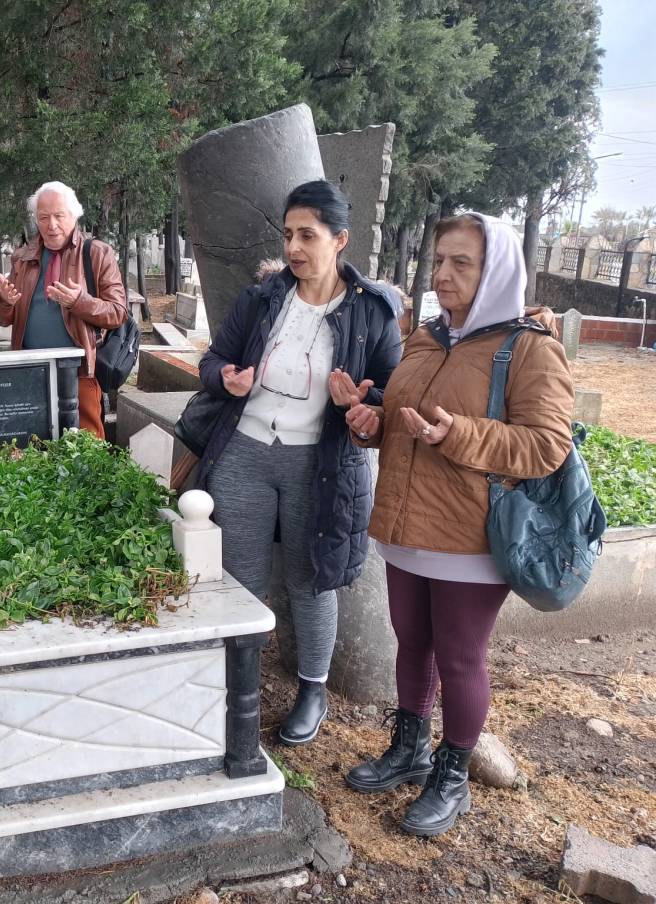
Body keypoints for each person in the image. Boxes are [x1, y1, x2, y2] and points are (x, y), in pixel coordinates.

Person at [343, 213, 573, 836]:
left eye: (461, 263)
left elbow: (547, 445)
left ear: (494, 270)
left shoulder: (529, 349)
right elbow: (403, 416)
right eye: (439, 260)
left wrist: (460, 434)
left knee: (461, 657)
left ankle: (454, 773)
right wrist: (370, 420)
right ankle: (410, 749)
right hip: (406, 525)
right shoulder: (427, 337)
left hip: (471, 536)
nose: (442, 274)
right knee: (411, 640)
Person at [195, 180, 403, 746]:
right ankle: (235, 683)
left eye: (307, 235)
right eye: (287, 235)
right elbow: (213, 360)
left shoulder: (372, 313)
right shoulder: (262, 298)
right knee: (240, 578)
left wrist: (361, 404)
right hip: (244, 457)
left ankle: (313, 688)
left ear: (341, 241)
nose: (294, 247)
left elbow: (392, 394)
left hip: (322, 464)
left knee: (313, 580)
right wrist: (226, 378)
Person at [0, 181, 127, 438]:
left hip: (79, 373)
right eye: (43, 217)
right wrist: (5, 300)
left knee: (84, 455)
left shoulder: (97, 254)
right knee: (30, 453)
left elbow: (118, 312)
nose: (51, 225)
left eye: (58, 216)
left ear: (74, 215)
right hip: (29, 372)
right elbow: (1, 318)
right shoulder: (23, 257)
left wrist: (79, 302)